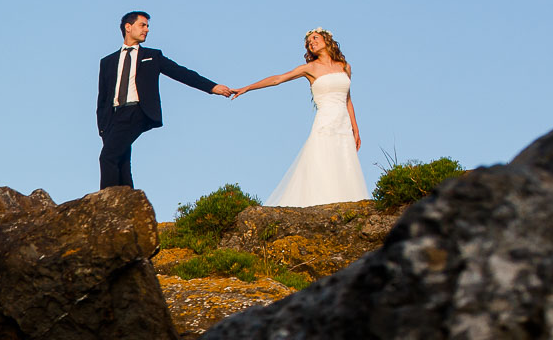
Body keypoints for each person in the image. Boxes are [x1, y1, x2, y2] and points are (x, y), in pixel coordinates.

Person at [97, 11, 235, 191]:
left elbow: (181, 73)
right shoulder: (107, 61)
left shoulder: (152, 56)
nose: (147, 29)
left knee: (107, 157)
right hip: (113, 117)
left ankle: (106, 206)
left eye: (147, 26)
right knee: (121, 160)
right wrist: (102, 127)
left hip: (137, 111)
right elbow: (103, 97)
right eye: (143, 25)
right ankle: (128, 207)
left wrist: (212, 87)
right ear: (128, 27)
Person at [232, 29, 367, 206]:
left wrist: (355, 128)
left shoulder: (345, 67)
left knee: (345, 163)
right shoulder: (309, 68)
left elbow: (347, 98)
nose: (311, 43)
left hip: (343, 123)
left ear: (327, 40)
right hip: (324, 122)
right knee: (322, 162)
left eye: (315, 39)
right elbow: (278, 79)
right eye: (308, 43)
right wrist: (247, 88)